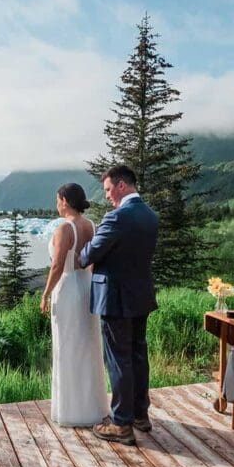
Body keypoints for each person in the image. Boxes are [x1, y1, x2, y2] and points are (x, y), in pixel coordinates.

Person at [78, 165, 159, 446]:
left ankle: (121, 423)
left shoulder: (117, 218)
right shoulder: (150, 216)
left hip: (115, 297)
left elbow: (88, 255)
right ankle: (140, 414)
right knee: (137, 354)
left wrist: (89, 245)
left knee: (118, 358)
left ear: (122, 185)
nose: (108, 196)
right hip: (141, 295)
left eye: (109, 189)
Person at [40, 183, 109, 427]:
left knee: (67, 346)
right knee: (88, 345)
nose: (57, 204)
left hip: (68, 288)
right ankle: (94, 406)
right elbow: (93, 258)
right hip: (87, 285)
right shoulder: (91, 225)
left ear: (65, 201)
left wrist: (46, 294)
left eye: (57, 200)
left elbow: (57, 266)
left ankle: (71, 410)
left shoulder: (64, 229)